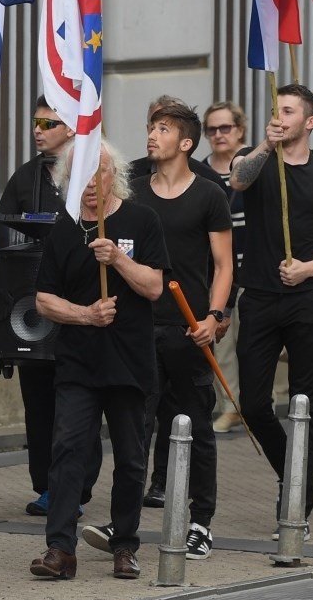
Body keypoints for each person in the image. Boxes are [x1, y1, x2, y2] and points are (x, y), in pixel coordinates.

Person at [83, 103, 231, 559]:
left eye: (162, 129)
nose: (151, 135)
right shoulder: (136, 193)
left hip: (188, 330)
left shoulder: (209, 195)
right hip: (139, 330)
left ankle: (201, 522)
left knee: (195, 427)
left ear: (186, 143)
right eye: (150, 127)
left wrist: (215, 316)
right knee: (134, 431)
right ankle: (122, 524)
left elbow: (224, 265)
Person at [29, 142, 168, 581]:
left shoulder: (141, 220)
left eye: (99, 172)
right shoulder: (64, 229)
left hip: (129, 363)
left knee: (130, 458)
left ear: (115, 174)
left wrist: (119, 258)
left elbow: (154, 288)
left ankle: (124, 544)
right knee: (68, 451)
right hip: (78, 364)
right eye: (82, 174)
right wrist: (86, 315)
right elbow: (44, 300)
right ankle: (60, 549)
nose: (91, 183)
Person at [229, 84, 313, 529]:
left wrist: (311, 268)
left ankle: (296, 506)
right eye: (275, 110)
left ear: (309, 123)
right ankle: (294, 472)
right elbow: (237, 179)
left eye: (288, 111)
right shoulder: (259, 158)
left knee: (305, 403)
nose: (279, 116)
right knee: (252, 405)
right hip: (260, 297)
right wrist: (266, 144)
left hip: (307, 297)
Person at [0, 97, 73, 517]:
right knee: (38, 405)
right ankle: (47, 486)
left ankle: (73, 487)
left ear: (73, 127)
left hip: (78, 310)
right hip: (33, 311)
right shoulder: (26, 176)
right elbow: (0, 228)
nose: (38, 130)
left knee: (74, 406)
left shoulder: (93, 171)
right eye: (36, 121)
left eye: (49, 123)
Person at [202, 101, 248, 435]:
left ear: (240, 130)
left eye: (225, 128)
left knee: (259, 343)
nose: (218, 135)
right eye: (211, 129)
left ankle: (259, 400)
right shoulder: (200, 172)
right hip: (216, 273)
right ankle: (232, 407)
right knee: (223, 343)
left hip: (256, 272)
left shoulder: (253, 167)